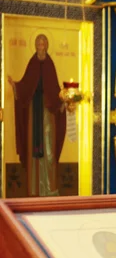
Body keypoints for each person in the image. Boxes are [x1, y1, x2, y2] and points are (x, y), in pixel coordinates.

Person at [7, 34, 66, 197]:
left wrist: (63, 99)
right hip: (34, 111)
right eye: (38, 44)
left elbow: (54, 88)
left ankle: (50, 188)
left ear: (46, 45)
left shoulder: (50, 64)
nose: (41, 46)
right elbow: (26, 84)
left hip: (48, 111)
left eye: (43, 43)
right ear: (35, 46)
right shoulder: (32, 63)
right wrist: (15, 86)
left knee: (49, 148)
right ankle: (34, 189)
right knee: (33, 147)